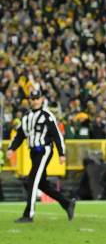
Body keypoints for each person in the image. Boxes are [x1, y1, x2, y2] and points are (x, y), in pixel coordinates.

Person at [6, 89, 76, 222]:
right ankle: (67, 203)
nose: (35, 101)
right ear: (30, 100)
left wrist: (62, 153)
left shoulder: (47, 116)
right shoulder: (26, 117)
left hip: (44, 151)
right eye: (32, 99)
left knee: (32, 180)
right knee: (41, 183)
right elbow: (20, 135)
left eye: (37, 98)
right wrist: (12, 148)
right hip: (33, 152)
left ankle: (28, 215)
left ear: (42, 99)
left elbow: (57, 136)